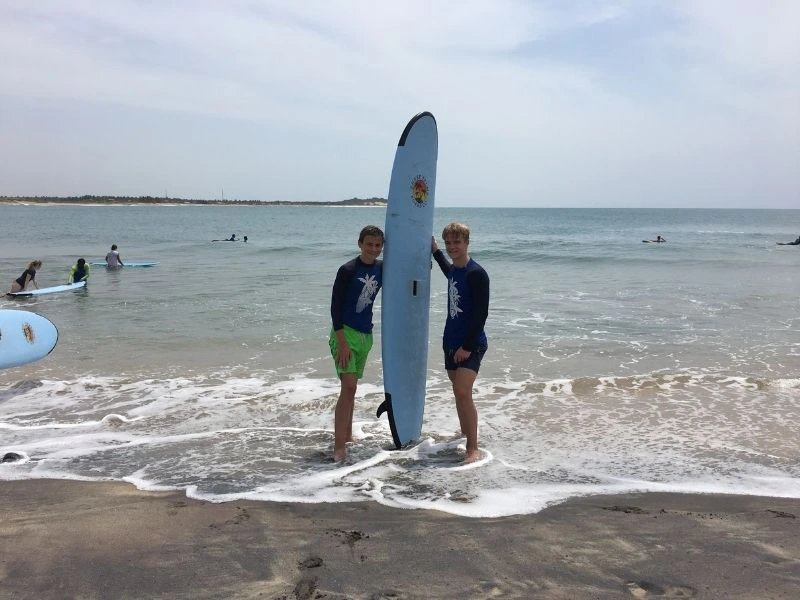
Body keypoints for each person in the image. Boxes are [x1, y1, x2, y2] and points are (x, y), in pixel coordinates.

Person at [431, 223, 490, 464]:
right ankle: (465, 433)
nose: (453, 247)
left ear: (467, 242)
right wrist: (435, 251)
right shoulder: (455, 270)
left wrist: (466, 346)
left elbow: (481, 314)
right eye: (449, 243)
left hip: (471, 342)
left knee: (463, 391)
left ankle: (472, 448)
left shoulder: (476, 273)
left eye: (457, 242)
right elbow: (447, 269)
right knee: (458, 392)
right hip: (450, 340)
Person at [329, 225, 384, 462]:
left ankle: (348, 434)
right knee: (348, 388)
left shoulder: (383, 269)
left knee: (352, 388)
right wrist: (341, 342)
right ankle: (339, 447)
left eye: (378, 245)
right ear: (360, 244)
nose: (373, 249)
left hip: (365, 335)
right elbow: (335, 307)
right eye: (369, 244)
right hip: (345, 334)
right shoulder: (348, 269)